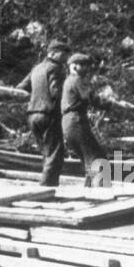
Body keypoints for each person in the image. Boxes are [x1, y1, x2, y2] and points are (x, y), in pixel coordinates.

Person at [15, 40, 70, 186]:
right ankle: (47, 186)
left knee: (46, 152)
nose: (65, 58)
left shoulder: (37, 68)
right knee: (55, 153)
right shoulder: (56, 69)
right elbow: (56, 92)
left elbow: (20, 88)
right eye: (63, 54)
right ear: (53, 53)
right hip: (48, 114)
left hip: (32, 115)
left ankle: (46, 183)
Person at [61, 53, 112, 183]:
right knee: (98, 159)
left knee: (88, 159)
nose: (88, 69)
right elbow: (92, 98)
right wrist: (109, 103)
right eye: (84, 66)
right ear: (75, 66)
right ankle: (100, 192)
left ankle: (90, 188)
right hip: (76, 122)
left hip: (68, 123)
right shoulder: (77, 80)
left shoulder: (68, 80)